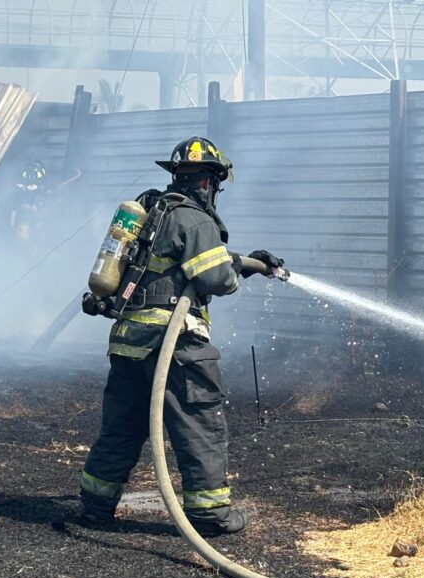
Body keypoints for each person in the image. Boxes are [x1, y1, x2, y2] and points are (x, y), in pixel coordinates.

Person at [78, 137, 283, 535]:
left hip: (128, 342)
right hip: (174, 344)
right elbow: (214, 279)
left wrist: (248, 262)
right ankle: (209, 514)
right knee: (200, 424)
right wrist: (233, 270)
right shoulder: (196, 219)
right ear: (209, 182)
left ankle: (95, 505)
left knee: (121, 428)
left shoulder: (154, 209)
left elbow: (183, 263)